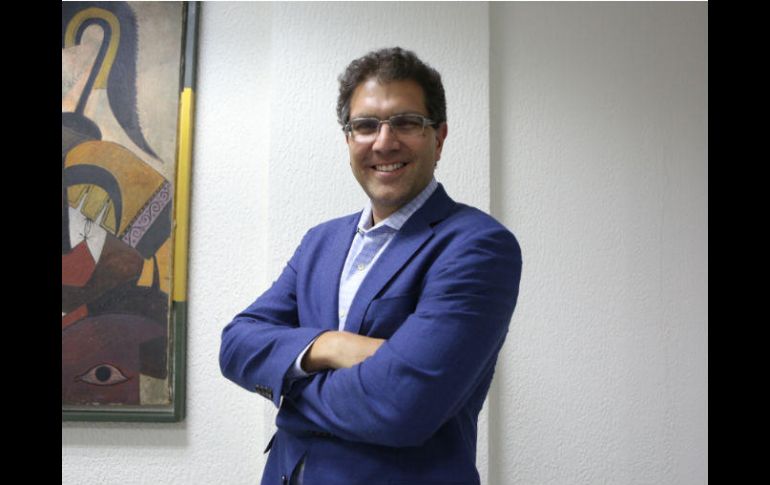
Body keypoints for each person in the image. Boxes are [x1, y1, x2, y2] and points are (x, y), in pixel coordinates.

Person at [220, 46, 522, 485]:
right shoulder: (321, 242)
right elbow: (236, 344)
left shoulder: (476, 246)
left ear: (439, 138)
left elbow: (402, 405)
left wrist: (288, 388)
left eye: (406, 122)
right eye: (365, 125)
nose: (384, 142)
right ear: (348, 140)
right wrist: (331, 345)